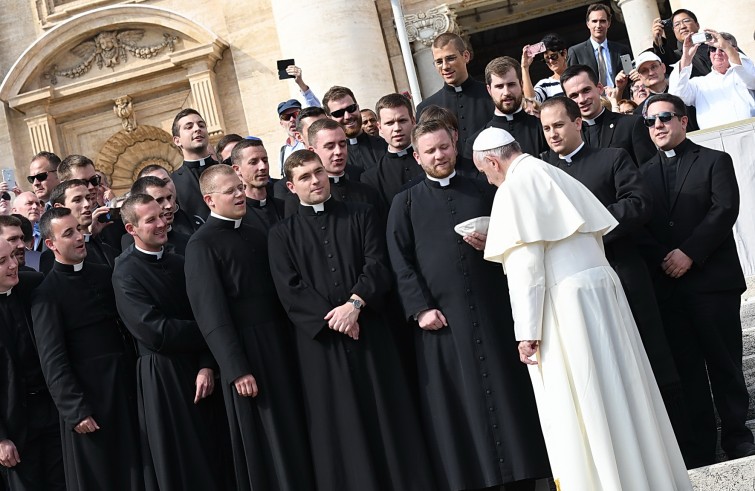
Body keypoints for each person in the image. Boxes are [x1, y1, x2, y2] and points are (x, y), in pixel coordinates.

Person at [473, 126, 692, 491]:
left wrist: (525, 333)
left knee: (588, 404)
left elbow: (527, 269)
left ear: (493, 161)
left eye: (486, 174)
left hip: (567, 307)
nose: (491, 182)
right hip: (601, 294)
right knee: (624, 395)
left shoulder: (514, 186)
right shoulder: (551, 172)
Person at [386, 121, 550, 490]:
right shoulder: (405, 203)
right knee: (462, 411)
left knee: (509, 400)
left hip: (493, 316)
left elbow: (516, 239)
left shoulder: (484, 189)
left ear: (454, 144)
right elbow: (399, 261)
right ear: (417, 156)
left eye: (443, 147)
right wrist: (420, 308)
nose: (439, 155)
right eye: (430, 151)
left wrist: (494, 240)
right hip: (442, 326)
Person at [268, 149, 435, 491]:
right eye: (305, 177)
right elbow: (290, 289)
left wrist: (355, 306)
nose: (315, 180)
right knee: (341, 426)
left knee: (387, 416)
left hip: (369, 332)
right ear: (290, 186)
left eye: (318, 172)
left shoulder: (361, 214)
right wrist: (335, 319)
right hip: (322, 347)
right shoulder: (280, 235)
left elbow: (377, 264)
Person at [538, 96, 684, 427]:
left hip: (624, 271)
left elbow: (638, 203)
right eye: (546, 128)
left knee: (650, 354)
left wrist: (587, 224)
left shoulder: (612, 158)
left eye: (559, 125)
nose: (553, 134)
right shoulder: (543, 171)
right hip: (574, 283)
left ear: (577, 123)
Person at [637, 93, 755, 467]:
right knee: (687, 373)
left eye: (665, 117)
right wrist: (664, 258)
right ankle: (703, 448)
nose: (658, 126)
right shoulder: (640, 175)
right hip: (670, 288)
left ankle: (738, 438)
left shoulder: (715, 161)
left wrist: (689, 253)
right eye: (650, 121)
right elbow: (639, 227)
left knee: (724, 365)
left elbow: (724, 210)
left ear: (683, 121)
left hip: (712, 283)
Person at [184, 165, 313, 490]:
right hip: (247, 355)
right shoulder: (201, 245)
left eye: (241, 188)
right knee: (267, 442)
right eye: (231, 191)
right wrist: (236, 368)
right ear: (210, 200)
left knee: (295, 430)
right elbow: (211, 314)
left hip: (280, 345)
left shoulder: (256, 232)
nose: (241, 194)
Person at [112, 194, 220, 491]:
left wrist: (207, 364)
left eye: (162, 216)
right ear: (131, 229)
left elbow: (201, 308)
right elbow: (155, 331)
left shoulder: (179, 261)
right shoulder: (125, 272)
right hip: (163, 377)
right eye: (151, 220)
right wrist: (211, 331)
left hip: (202, 370)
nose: (162, 224)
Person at [31, 207, 142, 491]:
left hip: (125, 389)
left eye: (78, 230)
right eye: (68, 234)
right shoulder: (47, 294)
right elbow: (53, 359)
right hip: (89, 401)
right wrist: (76, 410)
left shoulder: (105, 274)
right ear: (51, 244)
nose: (79, 237)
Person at [0, 239, 65, 491]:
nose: (13, 265)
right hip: (15, 423)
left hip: (51, 410)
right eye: (2, 262)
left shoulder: (33, 284)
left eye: (14, 257)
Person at [463, 56, 547, 175]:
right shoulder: (476, 143)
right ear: (489, 90)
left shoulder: (543, 128)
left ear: (521, 85)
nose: (506, 92)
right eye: (499, 86)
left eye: (511, 84)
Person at [416, 33, 494, 156]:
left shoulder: (491, 94)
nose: (445, 66)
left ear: (466, 56)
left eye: (450, 58)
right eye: (439, 62)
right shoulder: (425, 108)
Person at [561, 65, 656, 166]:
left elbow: (648, 169)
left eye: (586, 90)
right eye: (574, 96)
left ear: (600, 88)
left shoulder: (631, 125)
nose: (582, 100)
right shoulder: (567, 137)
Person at [669, 31, 755, 129]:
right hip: (714, 139)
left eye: (722, 49)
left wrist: (728, 48)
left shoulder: (744, 74)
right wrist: (686, 57)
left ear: (734, 50)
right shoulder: (699, 83)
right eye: (713, 49)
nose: (717, 53)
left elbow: (752, 78)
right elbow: (676, 94)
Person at [39, 180, 119, 273]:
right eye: (77, 200)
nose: (87, 204)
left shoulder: (106, 248)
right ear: (59, 207)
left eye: (88, 198)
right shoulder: (51, 257)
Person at [360, 93, 423, 207]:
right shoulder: (372, 177)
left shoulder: (433, 159)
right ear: (380, 127)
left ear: (413, 121)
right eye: (389, 123)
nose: (397, 128)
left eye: (402, 120)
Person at [57, 154, 125, 252]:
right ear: (64, 185)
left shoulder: (113, 219)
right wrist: (87, 235)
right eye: (83, 182)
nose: (91, 187)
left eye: (94, 180)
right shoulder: (55, 227)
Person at [170, 108, 222, 221]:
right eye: (189, 127)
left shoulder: (226, 170)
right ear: (177, 140)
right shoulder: (172, 183)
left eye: (201, 125)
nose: (197, 129)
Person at [567, 3, 632, 90]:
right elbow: (572, 83)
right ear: (588, 24)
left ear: (608, 23)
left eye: (602, 21)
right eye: (594, 21)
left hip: (620, 98)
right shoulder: (576, 52)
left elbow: (630, 77)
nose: (598, 25)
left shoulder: (622, 50)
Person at [322, 86, 387, 172]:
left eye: (351, 108)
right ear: (329, 118)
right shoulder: (329, 159)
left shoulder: (385, 146)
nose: (347, 116)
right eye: (339, 113)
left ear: (358, 108)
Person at [121, 177, 191, 255]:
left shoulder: (189, 242)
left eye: (169, 197)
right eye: (159, 200)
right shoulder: (129, 251)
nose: (169, 205)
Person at [631, 51, 699, 130]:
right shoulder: (640, 112)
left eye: (654, 67)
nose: (651, 73)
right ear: (640, 77)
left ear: (663, 68)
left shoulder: (687, 90)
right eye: (644, 71)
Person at [230, 138, 285, 235]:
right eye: (253, 162)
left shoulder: (283, 207)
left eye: (265, 160)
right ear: (237, 169)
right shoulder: (235, 217)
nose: (263, 167)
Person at [277, 65, 323, 174]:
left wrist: (300, 83)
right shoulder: (283, 152)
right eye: (286, 117)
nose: (292, 119)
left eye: (295, 114)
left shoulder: (308, 141)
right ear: (281, 123)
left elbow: (316, 110)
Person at [137, 164, 203, 235]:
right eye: (154, 184)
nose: (162, 187)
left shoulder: (196, 219)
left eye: (165, 181)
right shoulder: (139, 237)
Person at [651, 9, 712, 78]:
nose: (682, 26)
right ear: (674, 31)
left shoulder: (714, 47)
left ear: (697, 25)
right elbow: (664, 58)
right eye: (677, 24)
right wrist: (658, 41)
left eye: (686, 21)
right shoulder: (676, 57)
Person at [521, 33, 568, 104]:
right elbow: (532, 102)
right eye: (546, 59)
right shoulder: (544, 84)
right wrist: (525, 67)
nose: (551, 61)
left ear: (564, 53)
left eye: (554, 56)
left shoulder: (580, 75)